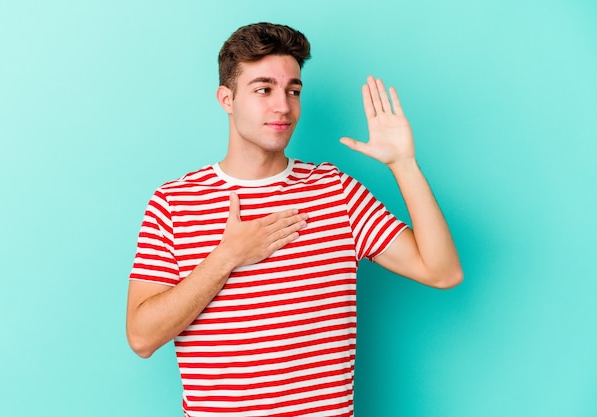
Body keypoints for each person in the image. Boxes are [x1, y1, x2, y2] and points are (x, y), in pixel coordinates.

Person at [126, 22, 462, 417]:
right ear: (226, 98)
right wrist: (227, 256)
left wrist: (404, 165)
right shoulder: (174, 202)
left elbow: (442, 272)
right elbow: (142, 337)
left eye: (293, 91)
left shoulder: (335, 192)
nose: (283, 106)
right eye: (263, 89)